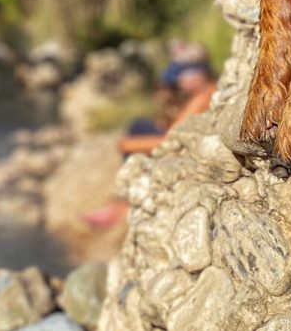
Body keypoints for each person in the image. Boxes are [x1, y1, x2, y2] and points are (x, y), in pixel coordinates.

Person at [84, 43, 218, 228]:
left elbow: (171, 140)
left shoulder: (204, 96)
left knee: (138, 134)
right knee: (140, 126)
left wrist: (127, 145)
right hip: (189, 148)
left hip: (191, 155)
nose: (180, 81)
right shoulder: (202, 92)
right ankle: (123, 202)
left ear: (199, 73)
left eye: (183, 76)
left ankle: (127, 205)